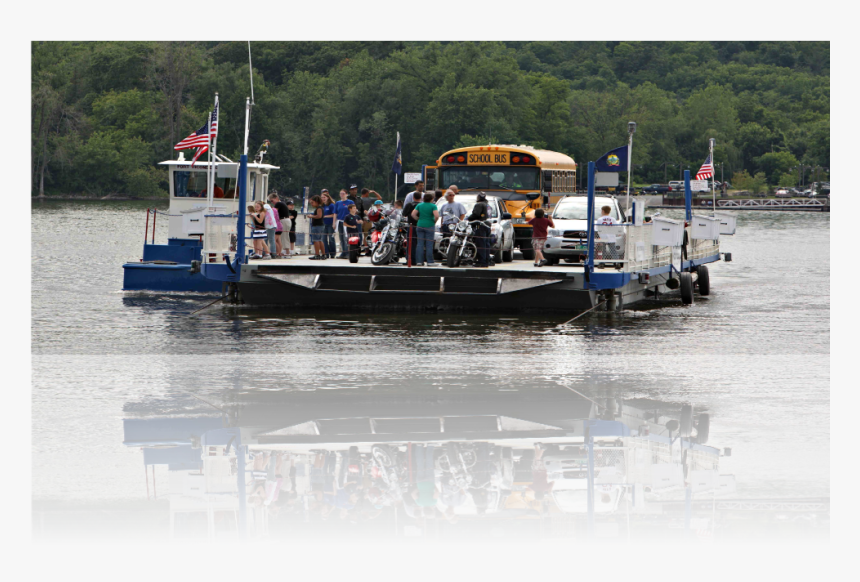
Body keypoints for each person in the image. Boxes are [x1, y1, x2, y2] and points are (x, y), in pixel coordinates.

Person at [411, 192, 439, 266]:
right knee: (429, 244)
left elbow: (413, 214)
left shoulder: (419, 205)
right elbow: (436, 216)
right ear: (432, 199)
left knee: (420, 244)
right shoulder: (433, 206)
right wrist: (434, 221)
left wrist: (418, 219)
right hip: (429, 225)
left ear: (423, 198)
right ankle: (430, 261)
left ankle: (419, 261)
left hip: (420, 225)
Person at [468, 192, 492, 268]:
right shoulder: (488, 205)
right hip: (487, 225)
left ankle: (482, 262)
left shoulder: (479, 205)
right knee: (486, 244)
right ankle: (487, 260)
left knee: (481, 244)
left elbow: (476, 214)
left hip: (480, 225)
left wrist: (468, 219)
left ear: (478, 197)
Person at [334, 189, 355, 259]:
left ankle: (347, 252)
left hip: (347, 222)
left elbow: (353, 211)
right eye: (340, 194)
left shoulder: (350, 202)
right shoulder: (338, 203)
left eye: (343, 193)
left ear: (346, 194)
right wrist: (334, 222)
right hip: (340, 222)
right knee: (341, 238)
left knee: (346, 237)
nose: (342, 195)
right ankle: (343, 252)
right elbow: (335, 213)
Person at [402, 192, 422, 265]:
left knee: (410, 243)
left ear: (413, 197)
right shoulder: (422, 205)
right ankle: (419, 260)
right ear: (421, 198)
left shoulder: (409, 205)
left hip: (411, 226)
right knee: (420, 243)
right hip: (421, 226)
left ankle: (410, 260)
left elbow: (404, 214)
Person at [269, 193, 291, 258]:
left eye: (272, 201)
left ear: (276, 198)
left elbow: (273, 212)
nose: (272, 202)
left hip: (283, 220)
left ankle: (287, 252)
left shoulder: (278, 204)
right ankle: (282, 252)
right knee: (280, 238)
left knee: (284, 236)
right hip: (285, 220)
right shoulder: (282, 203)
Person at [308, 195, 326, 260]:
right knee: (320, 240)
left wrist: (311, 216)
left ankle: (317, 254)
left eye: (312, 202)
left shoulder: (319, 208)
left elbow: (319, 216)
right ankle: (323, 254)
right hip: (320, 226)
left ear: (316, 202)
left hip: (317, 226)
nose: (312, 204)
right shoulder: (320, 208)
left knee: (316, 240)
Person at [321, 190, 337, 259]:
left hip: (330, 224)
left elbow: (334, 214)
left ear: (327, 197)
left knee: (331, 239)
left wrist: (325, 216)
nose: (323, 199)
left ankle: (333, 253)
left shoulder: (331, 205)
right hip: (324, 224)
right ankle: (326, 253)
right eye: (322, 197)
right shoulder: (322, 206)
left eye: (324, 197)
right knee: (324, 239)